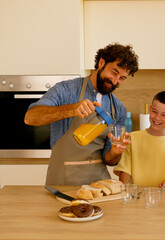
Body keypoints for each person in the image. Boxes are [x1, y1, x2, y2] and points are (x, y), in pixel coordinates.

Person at [24, 43, 139, 185]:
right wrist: (71, 109)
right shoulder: (66, 90)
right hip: (62, 183)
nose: (115, 81)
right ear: (101, 63)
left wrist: (116, 152)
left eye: (122, 78)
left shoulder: (118, 109)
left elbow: (109, 161)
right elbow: (30, 117)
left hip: (98, 186)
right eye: (114, 72)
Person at [113, 91, 165, 187]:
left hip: (164, 195)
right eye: (154, 111)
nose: (157, 118)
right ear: (150, 109)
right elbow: (125, 170)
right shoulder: (132, 138)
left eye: (164, 115)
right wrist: (123, 188)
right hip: (137, 197)